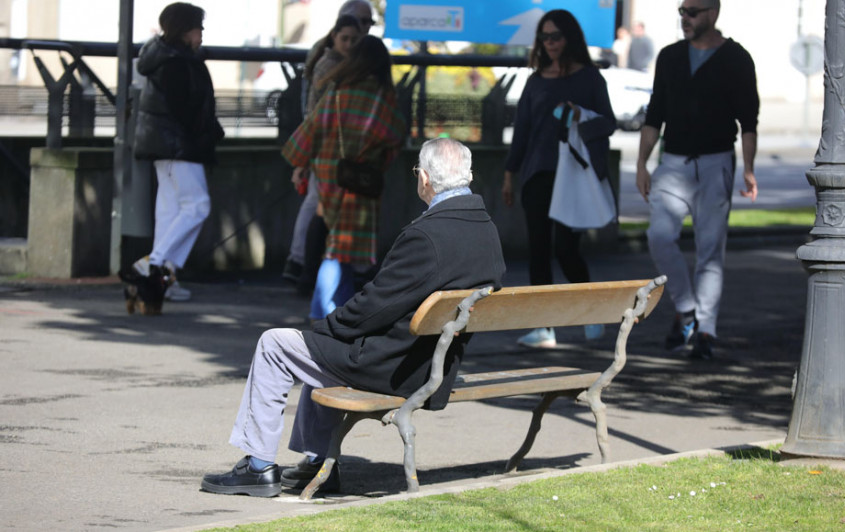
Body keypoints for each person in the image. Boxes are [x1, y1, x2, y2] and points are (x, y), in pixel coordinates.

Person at [200, 138, 507, 497]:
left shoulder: (426, 235)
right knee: (321, 347)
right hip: (432, 365)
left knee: (275, 344)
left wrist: (325, 328)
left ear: (424, 178)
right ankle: (319, 463)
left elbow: (372, 306)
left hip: (394, 368)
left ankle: (258, 467)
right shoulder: (486, 229)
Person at [635, 0, 759, 360]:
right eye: (681, 11)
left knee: (710, 250)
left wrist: (748, 168)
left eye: (692, 12)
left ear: (713, 12)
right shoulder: (670, 56)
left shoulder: (737, 58)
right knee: (659, 236)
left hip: (716, 162)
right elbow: (655, 113)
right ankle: (686, 308)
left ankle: (706, 330)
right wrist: (642, 164)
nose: (685, 18)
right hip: (673, 162)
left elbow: (748, 121)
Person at [502, 9, 616, 349]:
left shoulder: (591, 78)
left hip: (574, 176)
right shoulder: (536, 80)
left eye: (555, 36)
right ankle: (543, 327)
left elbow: (608, 123)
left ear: (570, 38)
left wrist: (581, 115)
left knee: (567, 249)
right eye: (544, 37)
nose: (549, 43)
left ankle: (590, 312)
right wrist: (510, 175)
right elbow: (522, 131)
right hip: (537, 173)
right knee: (538, 250)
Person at [281, 35, 406, 320]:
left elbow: (308, 132)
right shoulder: (381, 96)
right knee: (343, 248)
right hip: (360, 179)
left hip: (327, 173)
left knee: (336, 243)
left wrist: (302, 164)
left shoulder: (335, 93)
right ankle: (325, 311)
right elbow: (395, 135)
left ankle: (330, 309)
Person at [132, 2, 224, 302]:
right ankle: (152, 264)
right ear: (185, 30)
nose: (202, 33)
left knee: (170, 213)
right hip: (179, 146)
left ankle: (163, 280)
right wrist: (208, 132)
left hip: (164, 145)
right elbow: (186, 110)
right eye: (198, 28)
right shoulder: (177, 62)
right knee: (197, 205)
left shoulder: (166, 58)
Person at [282, 0, 375, 293]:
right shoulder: (331, 64)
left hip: (333, 147)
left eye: (366, 25)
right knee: (322, 208)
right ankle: (305, 266)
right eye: (359, 24)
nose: (362, 30)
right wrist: (305, 157)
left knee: (320, 208)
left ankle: (304, 266)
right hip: (329, 147)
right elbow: (315, 112)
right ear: (336, 33)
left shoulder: (339, 61)